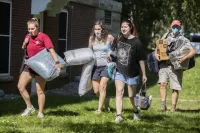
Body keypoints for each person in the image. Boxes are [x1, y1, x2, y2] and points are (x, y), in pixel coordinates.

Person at [18, 18, 62, 118]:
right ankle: (30, 107)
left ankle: (40, 112)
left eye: (32, 29)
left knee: (40, 90)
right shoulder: (28, 36)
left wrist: (57, 62)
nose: (30, 31)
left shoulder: (43, 36)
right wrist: (25, 42)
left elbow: (51, 50)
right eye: (29, 29)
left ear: (37, 27)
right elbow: (23, 47)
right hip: (29, 66)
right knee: (20, 87)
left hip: (41, 67)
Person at [154, 20, 196, 112]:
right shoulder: (165, 36)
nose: (175, 28)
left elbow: (193, 51)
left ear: (180, 28)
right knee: (162, 84)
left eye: (177, 27)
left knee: (175, 87)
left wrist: (184, 58)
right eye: (174, 27)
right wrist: (156, 54)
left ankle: (173, 107)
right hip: (164, 64)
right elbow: (157, 48)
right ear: (171, 26)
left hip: (176, 66)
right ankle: (163, 106)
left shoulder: (184, 39)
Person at [110, 19, 147, 123]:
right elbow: (112, 50)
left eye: (125, 27)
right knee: (119, 92)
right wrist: (109, 55)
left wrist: (144, 74)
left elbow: (141, 59)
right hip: (120, 71)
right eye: (122, 27)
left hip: (132, 73)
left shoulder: (136, 42)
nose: (123, 28)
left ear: (130, 27)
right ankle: (119, 115)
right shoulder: (118, 39)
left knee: (131, 95)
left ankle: (135, 111)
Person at [88, 20, 114, 113]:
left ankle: (99, 109)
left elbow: (116, 46)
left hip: (106, 66)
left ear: (103, 29)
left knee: (102, 87)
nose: (97, 31)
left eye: (99, 29)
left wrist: (111, 51)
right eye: (95, 29)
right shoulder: (92, 38)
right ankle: (106, 101)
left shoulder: (109, 37)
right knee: (96, 90)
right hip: (95, 66)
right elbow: (89, 52)